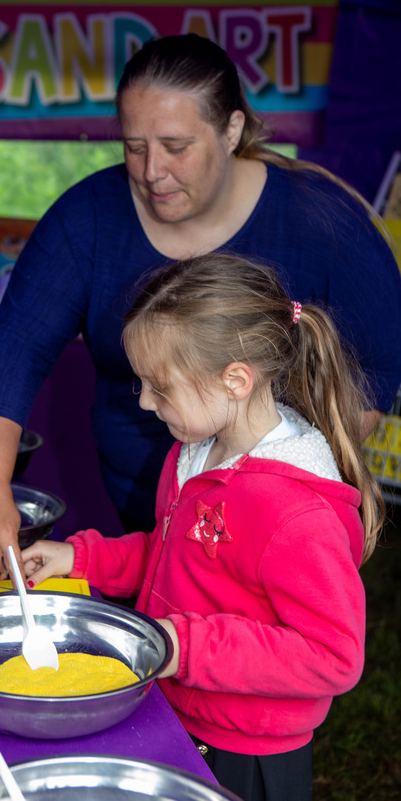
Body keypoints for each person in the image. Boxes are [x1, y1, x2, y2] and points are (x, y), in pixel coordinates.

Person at [0, 33, 401, 578]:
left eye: (176, 146)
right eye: (134, 146)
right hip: (137, 509)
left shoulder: (325, 220)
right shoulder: (88, 216)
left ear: (231, 130)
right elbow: (16, 348)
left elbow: (378, 366)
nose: (150, 171)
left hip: (269, 525)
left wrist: (278, 482)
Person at [21, 252, 384, 801]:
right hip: (177, 706)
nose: (144, 401)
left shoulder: (295, 513)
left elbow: (332, 655)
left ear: (234, 380)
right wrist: (82, 560)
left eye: (159, 387)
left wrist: (182, 646)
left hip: (245, 749)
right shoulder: (196, 453)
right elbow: (171, 557)